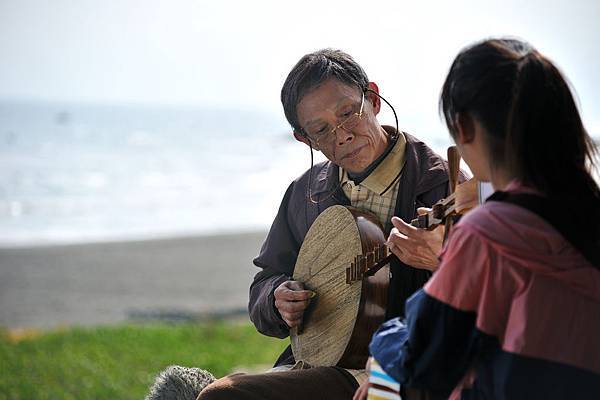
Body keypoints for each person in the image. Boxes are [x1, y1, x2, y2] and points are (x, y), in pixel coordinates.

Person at [198, 49, 465, 400]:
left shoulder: (440, 184)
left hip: (400, 371)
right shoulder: (306, 193)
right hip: (315, 363)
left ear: (372, 98)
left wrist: (441, 259)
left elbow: (486, 293)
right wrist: (278, 298)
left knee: (223, 396)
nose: (342, 136)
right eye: (322, 129)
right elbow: (264, 283)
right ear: (305, 139)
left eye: (348, 113)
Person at [355, 38, 600, 400]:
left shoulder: (488, 233)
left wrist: (383, 343)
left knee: (384, 380)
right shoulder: (586, 213)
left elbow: (423, 359)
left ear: (464, 128)